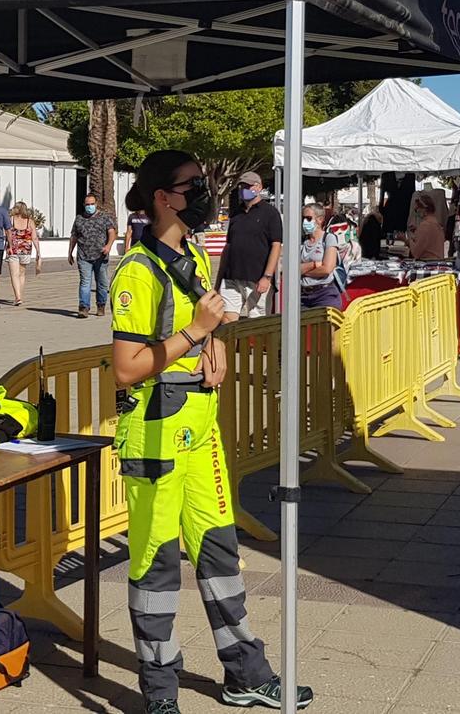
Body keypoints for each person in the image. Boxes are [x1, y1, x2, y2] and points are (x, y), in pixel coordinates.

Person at [110, 150, 312, 714]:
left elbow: (207, 316)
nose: (203, 193)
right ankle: (159, 693)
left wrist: (213, 341)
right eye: (191, 185)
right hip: (154, 426)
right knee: (156, 564)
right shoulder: (136, 270)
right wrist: (196, 332)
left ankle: (247, 673)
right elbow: (126, 366)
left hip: (201, 426)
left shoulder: (194, 252)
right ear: (161, 197)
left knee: (220, 551)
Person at [216, 172, 281, 322]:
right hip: (231, 277)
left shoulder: (270, 213)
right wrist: (219, 281)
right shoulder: (236, 214)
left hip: (257, 278)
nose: (243, 189)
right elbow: (228, 246)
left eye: (247, 186)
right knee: (227, 322)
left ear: (258, 187)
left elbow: (276, 246)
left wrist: (267, 277)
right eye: (241, 186)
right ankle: (231, 346)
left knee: (257, 323)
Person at [68, 193, 118, 318]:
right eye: (87, 204)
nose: (89, 206)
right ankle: (83, 307)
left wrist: (108, 246)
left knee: (102, 283)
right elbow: (74, 236)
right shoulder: (79, 219)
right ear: (84, 205)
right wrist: (70, 252)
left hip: (101, 256)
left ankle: (101, 305)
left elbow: (112, 232)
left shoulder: (104, 217)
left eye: (92, 204)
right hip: (84, 256)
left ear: (96, 204)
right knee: (85, 282)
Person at [295, 204, 344, 309]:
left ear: (320, 219)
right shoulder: (300, 241)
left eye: (308, 218)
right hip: (301, 295)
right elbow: (289, 269)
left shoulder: (329, 238)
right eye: (302, 218)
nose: (304, 222)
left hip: (324, 294)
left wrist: (302, 271)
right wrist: (314, 264)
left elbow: (326, 269)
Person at [5, 201, 39, 306]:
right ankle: (20, 296)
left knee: (14, 275)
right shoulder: (30, 222)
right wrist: (38, 252)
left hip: (13, 250)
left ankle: (18, 297)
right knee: (22, 274)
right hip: (26, 250)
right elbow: (34, 237)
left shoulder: (11, 220)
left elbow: (6, 233)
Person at [406, 193, 448, 261]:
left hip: (428, 264)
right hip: (438, 261)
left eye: (416, 210)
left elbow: (416, 252)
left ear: (424, 209)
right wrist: (417, 231)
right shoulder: (435, 223)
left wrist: (407, 240)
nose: (417, 213)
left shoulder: (425, 225)